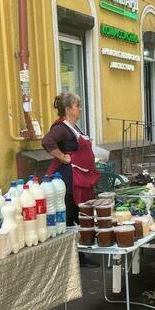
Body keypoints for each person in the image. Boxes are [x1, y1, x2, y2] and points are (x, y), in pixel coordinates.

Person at [42, 92, 100, 226]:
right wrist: (62, 157)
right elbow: (47, 141)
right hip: (69, 183)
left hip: (81, 179)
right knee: (69, 218)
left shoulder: (74, 128)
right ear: (68, 109)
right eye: (77, 106)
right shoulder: (61, 128)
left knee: (82, 218)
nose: (80, 109)